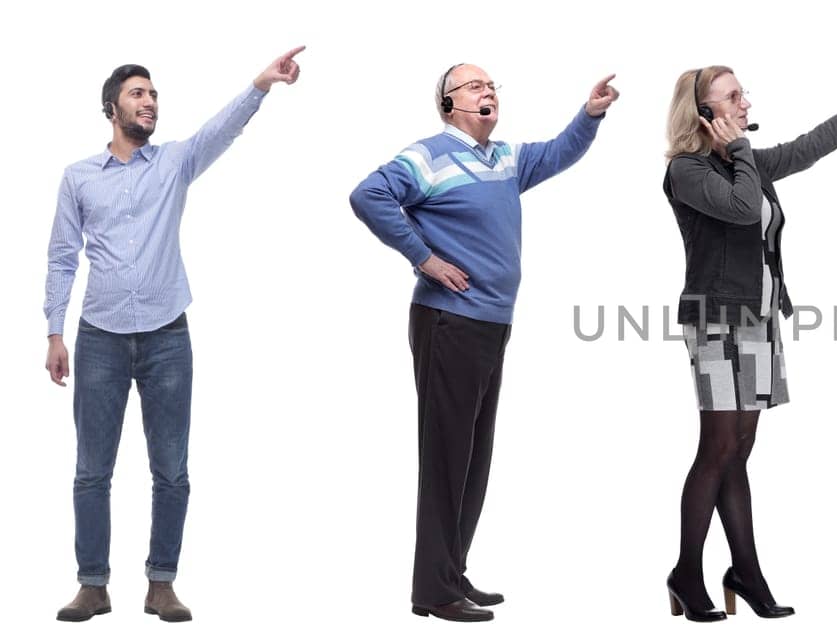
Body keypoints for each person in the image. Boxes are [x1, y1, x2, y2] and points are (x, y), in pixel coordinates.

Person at [44, 47, 306, 623]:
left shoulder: (174, 163)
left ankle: (161, 584)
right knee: (92, 470)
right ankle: (93, 585)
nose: (150, 103)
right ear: (111, 107)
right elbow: (63, 257)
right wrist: (54, 332)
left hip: (167, 336)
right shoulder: (79, 177)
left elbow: (222, 130)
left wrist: (259, 85)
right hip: (100, 338)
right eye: (139, 94)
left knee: (172, 469)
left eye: (155, 95)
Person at [349, 63, 617, 622]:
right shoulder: (428, 155)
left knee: (473, 456)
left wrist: (589, 114)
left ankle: (453, 572)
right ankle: (433, 591)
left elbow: (558, 152)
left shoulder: (505, 159)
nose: (488, 90)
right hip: (449, 321)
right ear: (448, 104)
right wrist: (424, 258)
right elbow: (368, 195)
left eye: (492, 84)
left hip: (492, 322)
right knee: (447, 457)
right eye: (474, 85)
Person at [660, 58, 837, 622]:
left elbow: (811, 146)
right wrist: (745, 156)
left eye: (742, 95)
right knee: (717, 447)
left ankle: (744, 572)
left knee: (739, 450)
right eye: (732, 97)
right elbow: (737, 207)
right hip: (713, 319)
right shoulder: (688, 169)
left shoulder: (744, 162)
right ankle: (686, 572)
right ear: (703, 113)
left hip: (758, 319)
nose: (745, 103)